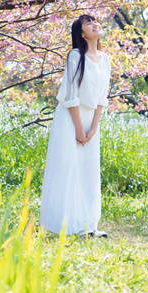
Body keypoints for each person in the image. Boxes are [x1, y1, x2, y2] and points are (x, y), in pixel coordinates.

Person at [39, 14, 111, 238]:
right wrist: (79, 128)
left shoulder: (105, 59)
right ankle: (67, 224)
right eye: (88, 23)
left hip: (91, 118)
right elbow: (70, 94)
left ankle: (89, 224)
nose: (94, 24)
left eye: (95, 21)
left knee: (89, 169)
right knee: (69, 167)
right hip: (71, 117)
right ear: (81, 33)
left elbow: (102, 97)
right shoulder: (75, 56)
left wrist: (93, 127)